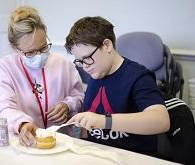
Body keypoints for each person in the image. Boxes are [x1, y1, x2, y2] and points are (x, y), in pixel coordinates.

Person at [65, 16, 170, 156]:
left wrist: (104, 121)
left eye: (87, 58)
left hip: (131, 157)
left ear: (107, 45)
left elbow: (161, 121)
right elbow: (87, 127)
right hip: (95, 154)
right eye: (79, 61)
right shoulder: (96, 73)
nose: (84, 67)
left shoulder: (138, 76)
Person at [0, 6, 84, 147]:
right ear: (15, 48)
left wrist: (67, 105)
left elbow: (79, 97)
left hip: (61, 142)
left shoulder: (63, 64)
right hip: (26, 142)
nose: (39, 56)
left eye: (43, 47)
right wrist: (22, 123)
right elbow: (3, 107)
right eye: (30, 52)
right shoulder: (4, 68)